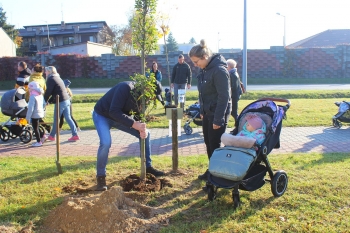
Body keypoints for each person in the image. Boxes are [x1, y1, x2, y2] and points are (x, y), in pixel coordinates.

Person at [93, 80, 165, 191]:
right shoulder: (125, 88)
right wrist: (134, 124)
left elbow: (137, 114)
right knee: (106, 143)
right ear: (147, 89)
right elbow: (114, 111)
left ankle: (148, 167)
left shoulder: (143, 98)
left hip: (118, 117)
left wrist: (141, 128)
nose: (152, 99)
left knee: (147, 135)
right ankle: (101, 177)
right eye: (152, 96)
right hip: (103, 114)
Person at [188, 39, 231, 181]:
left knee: (215, 144)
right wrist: (202, 110)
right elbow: (204, 94)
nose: (195, 65)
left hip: (217, 113)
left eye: (196, 62)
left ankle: (218, 173)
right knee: (208, 142)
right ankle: (212, 170)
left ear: (205, 57)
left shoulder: (219, 70)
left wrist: (219, 119)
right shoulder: (205, 70)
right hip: (207, 112)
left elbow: (224, 96)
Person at [44, 66, 80, 142]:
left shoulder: (51, 79)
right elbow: (56, 91)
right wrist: (49, 101)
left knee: (56, 119)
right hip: (66, 100)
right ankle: (75, 135)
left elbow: (49, 92)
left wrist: (44, 100)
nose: (45, 72)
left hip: (60, 101)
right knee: (68, 118)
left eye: (46, 71)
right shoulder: (58, 77)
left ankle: (52, 136)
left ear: (49, 72)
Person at [26, 81, 45, 147]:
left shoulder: (32, 97)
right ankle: (43, 135)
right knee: (37, 126)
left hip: (34, 114)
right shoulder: (40, 95)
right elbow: (44, 104)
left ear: (32, 88)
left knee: (35, 128)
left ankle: (38, 141)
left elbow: (30, 108)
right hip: (40, 113)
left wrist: (27, 117)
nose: (28, 89)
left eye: (29, 88)